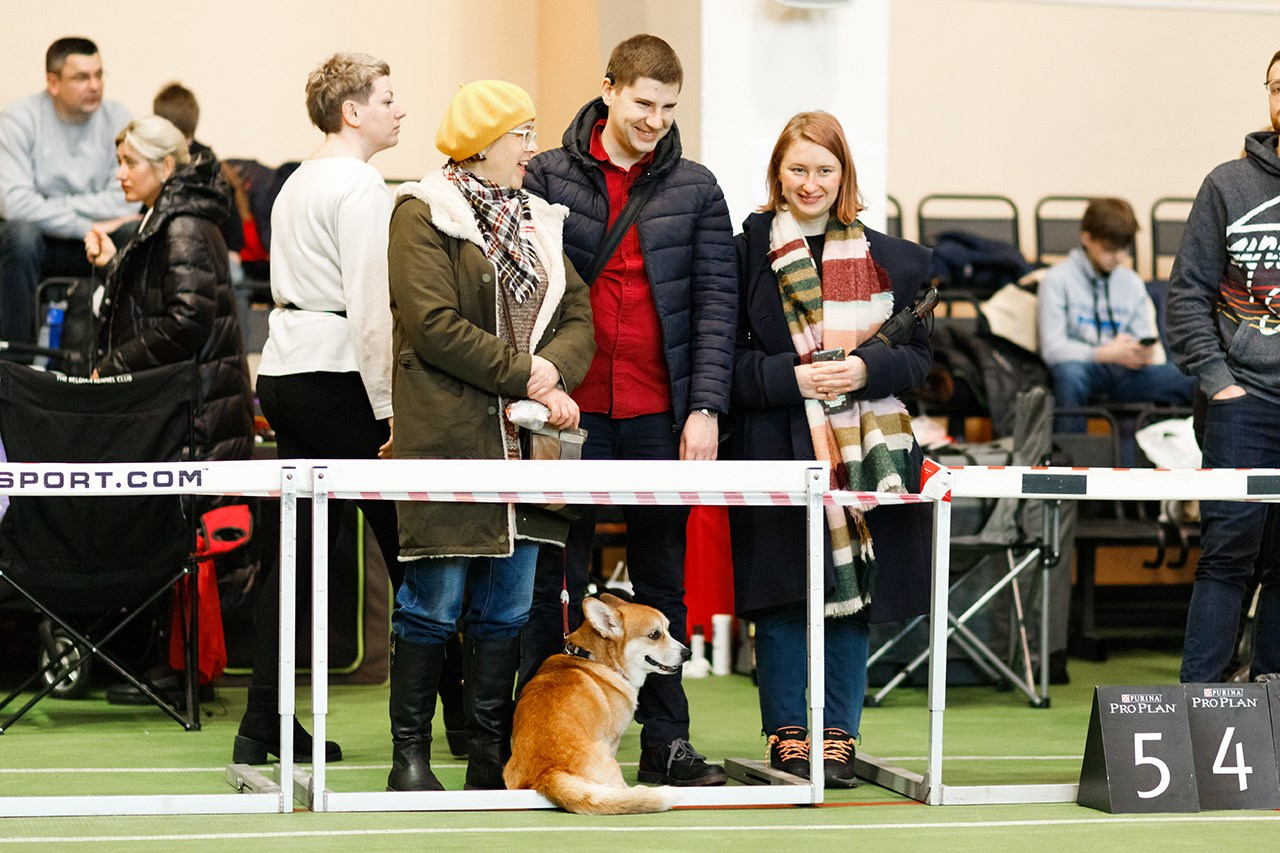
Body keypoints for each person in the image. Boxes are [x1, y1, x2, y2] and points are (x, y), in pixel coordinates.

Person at [519, 33, 736, 787]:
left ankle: (667, 743)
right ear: (608, 89)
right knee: (552, 572)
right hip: (568, 410)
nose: (656, 120)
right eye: (644, 103)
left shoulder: (698, 188)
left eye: (670, 108)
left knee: (663, 579)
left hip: (659, 412)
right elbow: (525, 294)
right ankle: (540, 731)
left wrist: (705, 406)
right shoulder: (543, 173)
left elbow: (715, 305)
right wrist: (538, 387)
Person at [385, 79, 594, 792]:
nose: (534, 149)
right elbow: (433, 324)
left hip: (529, 445)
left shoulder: (540, 218)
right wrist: (529, 375)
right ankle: (408, 758)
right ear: (481, 144)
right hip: (451, 436)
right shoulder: (421, 212)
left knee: (506, 607)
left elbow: (578, 314)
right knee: (432, 602)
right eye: (522, 134)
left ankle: (486, 756)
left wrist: (552, 371)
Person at [727, 111, 934, 787]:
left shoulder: (896, 260)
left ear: (845, 174)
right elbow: (722, 362)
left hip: (864, 450)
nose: (810, 183)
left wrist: (867, 371)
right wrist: (793, 379)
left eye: (824, 169)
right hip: (773, 440)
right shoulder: (743, 251)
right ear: (776, 174)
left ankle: (839, 736)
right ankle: (787, 732)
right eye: (797, 169)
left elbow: (924, 360)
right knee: (783, 592)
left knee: (854, 593)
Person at [231, 52, 406, 766]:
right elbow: (370, 306)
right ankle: (456, 716)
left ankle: (262, 722)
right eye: (389, 98)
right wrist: (392, 407)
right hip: (341, 377)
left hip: (285, 367)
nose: (401, 109)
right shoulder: (363, 186)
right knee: (409, 546)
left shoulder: (296, 180)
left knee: (296, 557)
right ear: (352, 111)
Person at [1166, 49, 1280, 684]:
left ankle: (1274, 710)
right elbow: (1186, 295)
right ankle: (1197, 705)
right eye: (1276, 88)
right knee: (1227, 559)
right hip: (1246, 403)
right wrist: (1221, 384)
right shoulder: (1228, 185)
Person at [1, 36, 136, 345]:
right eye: (81, 77)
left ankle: (122, 354)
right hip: (39, 243)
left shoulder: (118, 118)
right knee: (19, 234)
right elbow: (15, 204)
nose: (95, 85)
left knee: (133, 231)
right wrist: (86, 224)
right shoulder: (18, 119)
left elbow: (122, 199)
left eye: (99, 74)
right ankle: (16, 362)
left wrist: (48, 203)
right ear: (53, 82)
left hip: (97, 242)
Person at [1037, 197, 1194, 433]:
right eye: (1110, 249)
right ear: (1086, 238)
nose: (1119, 256)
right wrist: (1102, 353)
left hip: (1125, 373)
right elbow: (1053, 349)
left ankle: (1188, 457)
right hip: (1084, 369)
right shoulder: (1056, 280)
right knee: (1069, 376)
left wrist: (1141, 353)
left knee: (1192, 378)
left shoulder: (1131, 283)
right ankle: (1069, 463)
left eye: (1123, 249)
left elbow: (1148, 341)